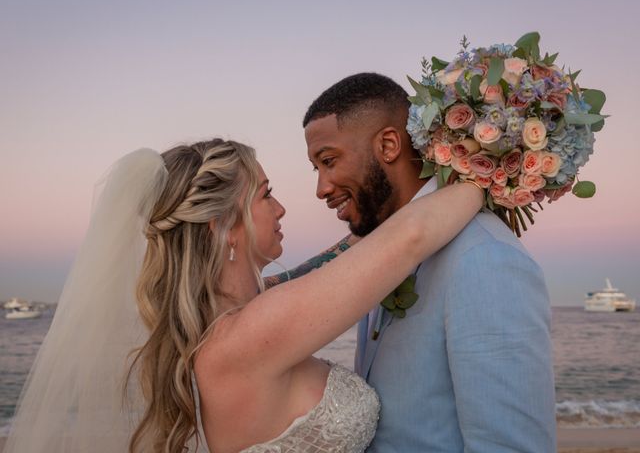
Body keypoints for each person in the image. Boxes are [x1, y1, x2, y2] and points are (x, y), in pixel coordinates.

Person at [5, 139, 483, 453]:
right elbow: (413, 237)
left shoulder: (233, 322)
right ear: (224, 227)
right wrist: (494, 168)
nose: (281, 207)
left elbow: (333, 262)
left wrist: (365, 226)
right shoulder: (251, 335)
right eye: (265, 194)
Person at [299, 73, 557, 452]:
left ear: (389, 144)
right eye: (317, 169)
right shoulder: (382, 252)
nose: (321, 187)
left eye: (329, 160)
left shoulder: (483, 258)